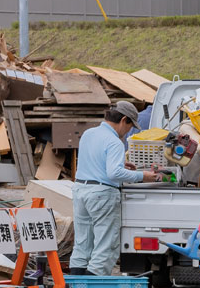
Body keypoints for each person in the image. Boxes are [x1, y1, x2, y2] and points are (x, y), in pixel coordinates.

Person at [68, 100, 162, 276]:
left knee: (82, 245)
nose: (128, 131)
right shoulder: (114, 142)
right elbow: (113, 174)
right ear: (123, 119)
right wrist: (143, 176)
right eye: (130, 126)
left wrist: (119, 163)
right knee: (105, 247)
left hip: (81, 191)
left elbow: (93, 161)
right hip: (102, 195)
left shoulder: (89, 133)